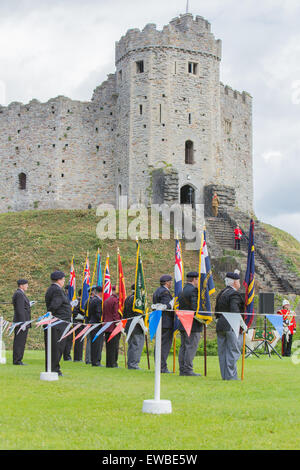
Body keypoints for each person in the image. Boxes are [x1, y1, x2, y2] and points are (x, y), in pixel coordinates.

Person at [215, 271, 244, 380]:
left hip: (220, 324)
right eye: (239, 281)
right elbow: (235, 311)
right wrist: (243, 324)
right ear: (235, 282)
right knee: (233, 351)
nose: (239, 283)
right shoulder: (234, 294)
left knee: (223, 352)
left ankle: (225, 375)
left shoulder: (221, 293)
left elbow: (216, 310)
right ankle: (231, 376)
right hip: (231, 324)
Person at [45, 270, 72, 376]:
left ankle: (52, 367)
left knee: (55, 347)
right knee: (57, 347)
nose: (64, 281)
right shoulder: (57, 290)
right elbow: (54, 305)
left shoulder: (52, 289)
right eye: (63, 279)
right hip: (59, 323)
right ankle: (54, 369)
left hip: (57, 322)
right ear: (59, 280)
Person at [177, 271, 202, 376]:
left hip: (183, 322)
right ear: (194, 279)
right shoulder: (194, 290)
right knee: (191, 346)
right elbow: (194, 307)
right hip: (192, 323)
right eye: (197, 279)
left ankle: (182, 369)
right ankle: (188, 369)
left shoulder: (182, 290)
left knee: (183, 347)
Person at [153, 275, 174, 373]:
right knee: (164, 346)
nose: (171, 284)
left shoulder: (157, 291)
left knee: (158, 344)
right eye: (170, 282)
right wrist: (172, 304)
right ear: (167, 282)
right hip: (166, 322)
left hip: (159, 321)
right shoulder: (165, 292)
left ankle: (159, 365)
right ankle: (162, 367)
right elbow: (165, 306)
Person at [123, 284, 145, 370]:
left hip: (129, 325)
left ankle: (131, 363)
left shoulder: (128, 298)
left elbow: (124, 313)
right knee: (136, 345)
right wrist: (144, 327)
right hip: (136, 326)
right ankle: (133, 364)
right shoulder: (136, 299)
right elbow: (138, 315)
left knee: (132, 346)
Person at [12, 279, 31, 365]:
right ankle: (17, 360)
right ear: (21, 285)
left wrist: (29, 304)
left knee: (21, 341)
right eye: (26, 284)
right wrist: (23, 323)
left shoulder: (20, 293)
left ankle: (18, 359)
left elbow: (22, 307)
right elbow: (20, 310)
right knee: (19, 342)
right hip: (21, 322)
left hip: (22, 321)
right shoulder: (19, 294)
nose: (27, 286)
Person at [102, 285, 121, 368]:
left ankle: (108, 363)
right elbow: (115, 314)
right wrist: (118, 323)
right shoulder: (115, 300)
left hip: (106, 326)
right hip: (113, 326)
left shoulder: (106, 300)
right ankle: (113, 363)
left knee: (109, 346)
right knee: (114, 346)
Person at [88, 286, 104, 366]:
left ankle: (94, 360)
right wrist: (102, 321)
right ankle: (96, 361)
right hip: (97, 325)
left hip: (92, 323)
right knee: (97, 344)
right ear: (101, 292)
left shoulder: (93, 299)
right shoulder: (98, 301)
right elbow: (98, 313)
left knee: (95, 344)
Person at [72, 289, 85, 362]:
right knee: (79, 341)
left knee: (80, 341)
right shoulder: (79, 302)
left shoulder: (78, 301)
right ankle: (77, 358)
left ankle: (78, 357)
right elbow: (74, 313)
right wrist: (83, 317)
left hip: (80, 323)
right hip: (78, 323)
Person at [63, 284, 73, 361]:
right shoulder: (65, 298)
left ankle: (67, 355)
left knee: (69, 339)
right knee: (65, 339)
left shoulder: (72, 297)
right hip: (65, 320)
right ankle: (66, 355)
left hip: (71, 320)